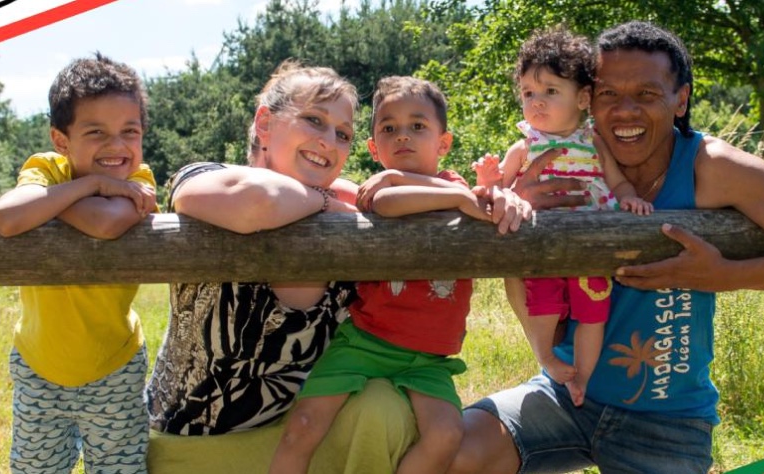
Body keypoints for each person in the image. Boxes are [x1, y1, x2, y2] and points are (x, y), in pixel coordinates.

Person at [447, 21, 764, 474]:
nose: (625, 111)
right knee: (450, 455)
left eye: (646, 94)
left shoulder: (709, 166)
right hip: (563, 394)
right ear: (587, 98)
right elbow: (514, 273)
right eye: (609, 94)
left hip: (666, 422)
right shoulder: (553, 161)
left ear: (681, 99)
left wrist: (727, 276)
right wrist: (516, 213)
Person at [144, 63, 526, 474]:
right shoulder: (210, 176)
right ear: (265, 123)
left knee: (383, 407)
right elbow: (259, 201)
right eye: (314, 120)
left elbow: (423, 198)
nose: (328, 141)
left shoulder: (350, 200)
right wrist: (327, 202)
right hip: (194, 445)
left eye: (342, 134)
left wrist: (498, 197)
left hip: (301, 435)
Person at [269, 75, 532, 474]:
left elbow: (460, 195)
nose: (403, 135)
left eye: (418, 126)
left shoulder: (452, 183)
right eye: (389, 128)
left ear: (443, 143)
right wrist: (454, 198)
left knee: (446, 436)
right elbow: (388, 204)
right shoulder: (386, 189)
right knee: (303, 425)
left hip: (428, 356)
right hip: (364, 340)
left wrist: (463, 192)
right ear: (374, 148)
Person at [0, 53, 158, 473]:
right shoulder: (47, 167)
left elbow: (105, 224)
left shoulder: (139, 179)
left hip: (114, 366)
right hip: (39, 365)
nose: (116, 146)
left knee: (118, 469)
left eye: (129, 131)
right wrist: (94, 185)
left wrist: (49, 205)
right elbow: (8, 217)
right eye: (96, 132)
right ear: (61, 140)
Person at [473, 26, 652, 408]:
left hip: (590, 248)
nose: (536, 102)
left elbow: (618, 181)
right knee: (544, 306)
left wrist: (630, 199)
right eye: (528, 93)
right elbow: (499, 192)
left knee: (593, 314)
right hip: (542, 247)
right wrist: (489, 182)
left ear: (583, 98)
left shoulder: (594, 142)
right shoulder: (525, 147)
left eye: (550, 91)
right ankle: (547, 358)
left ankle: (581, 377)